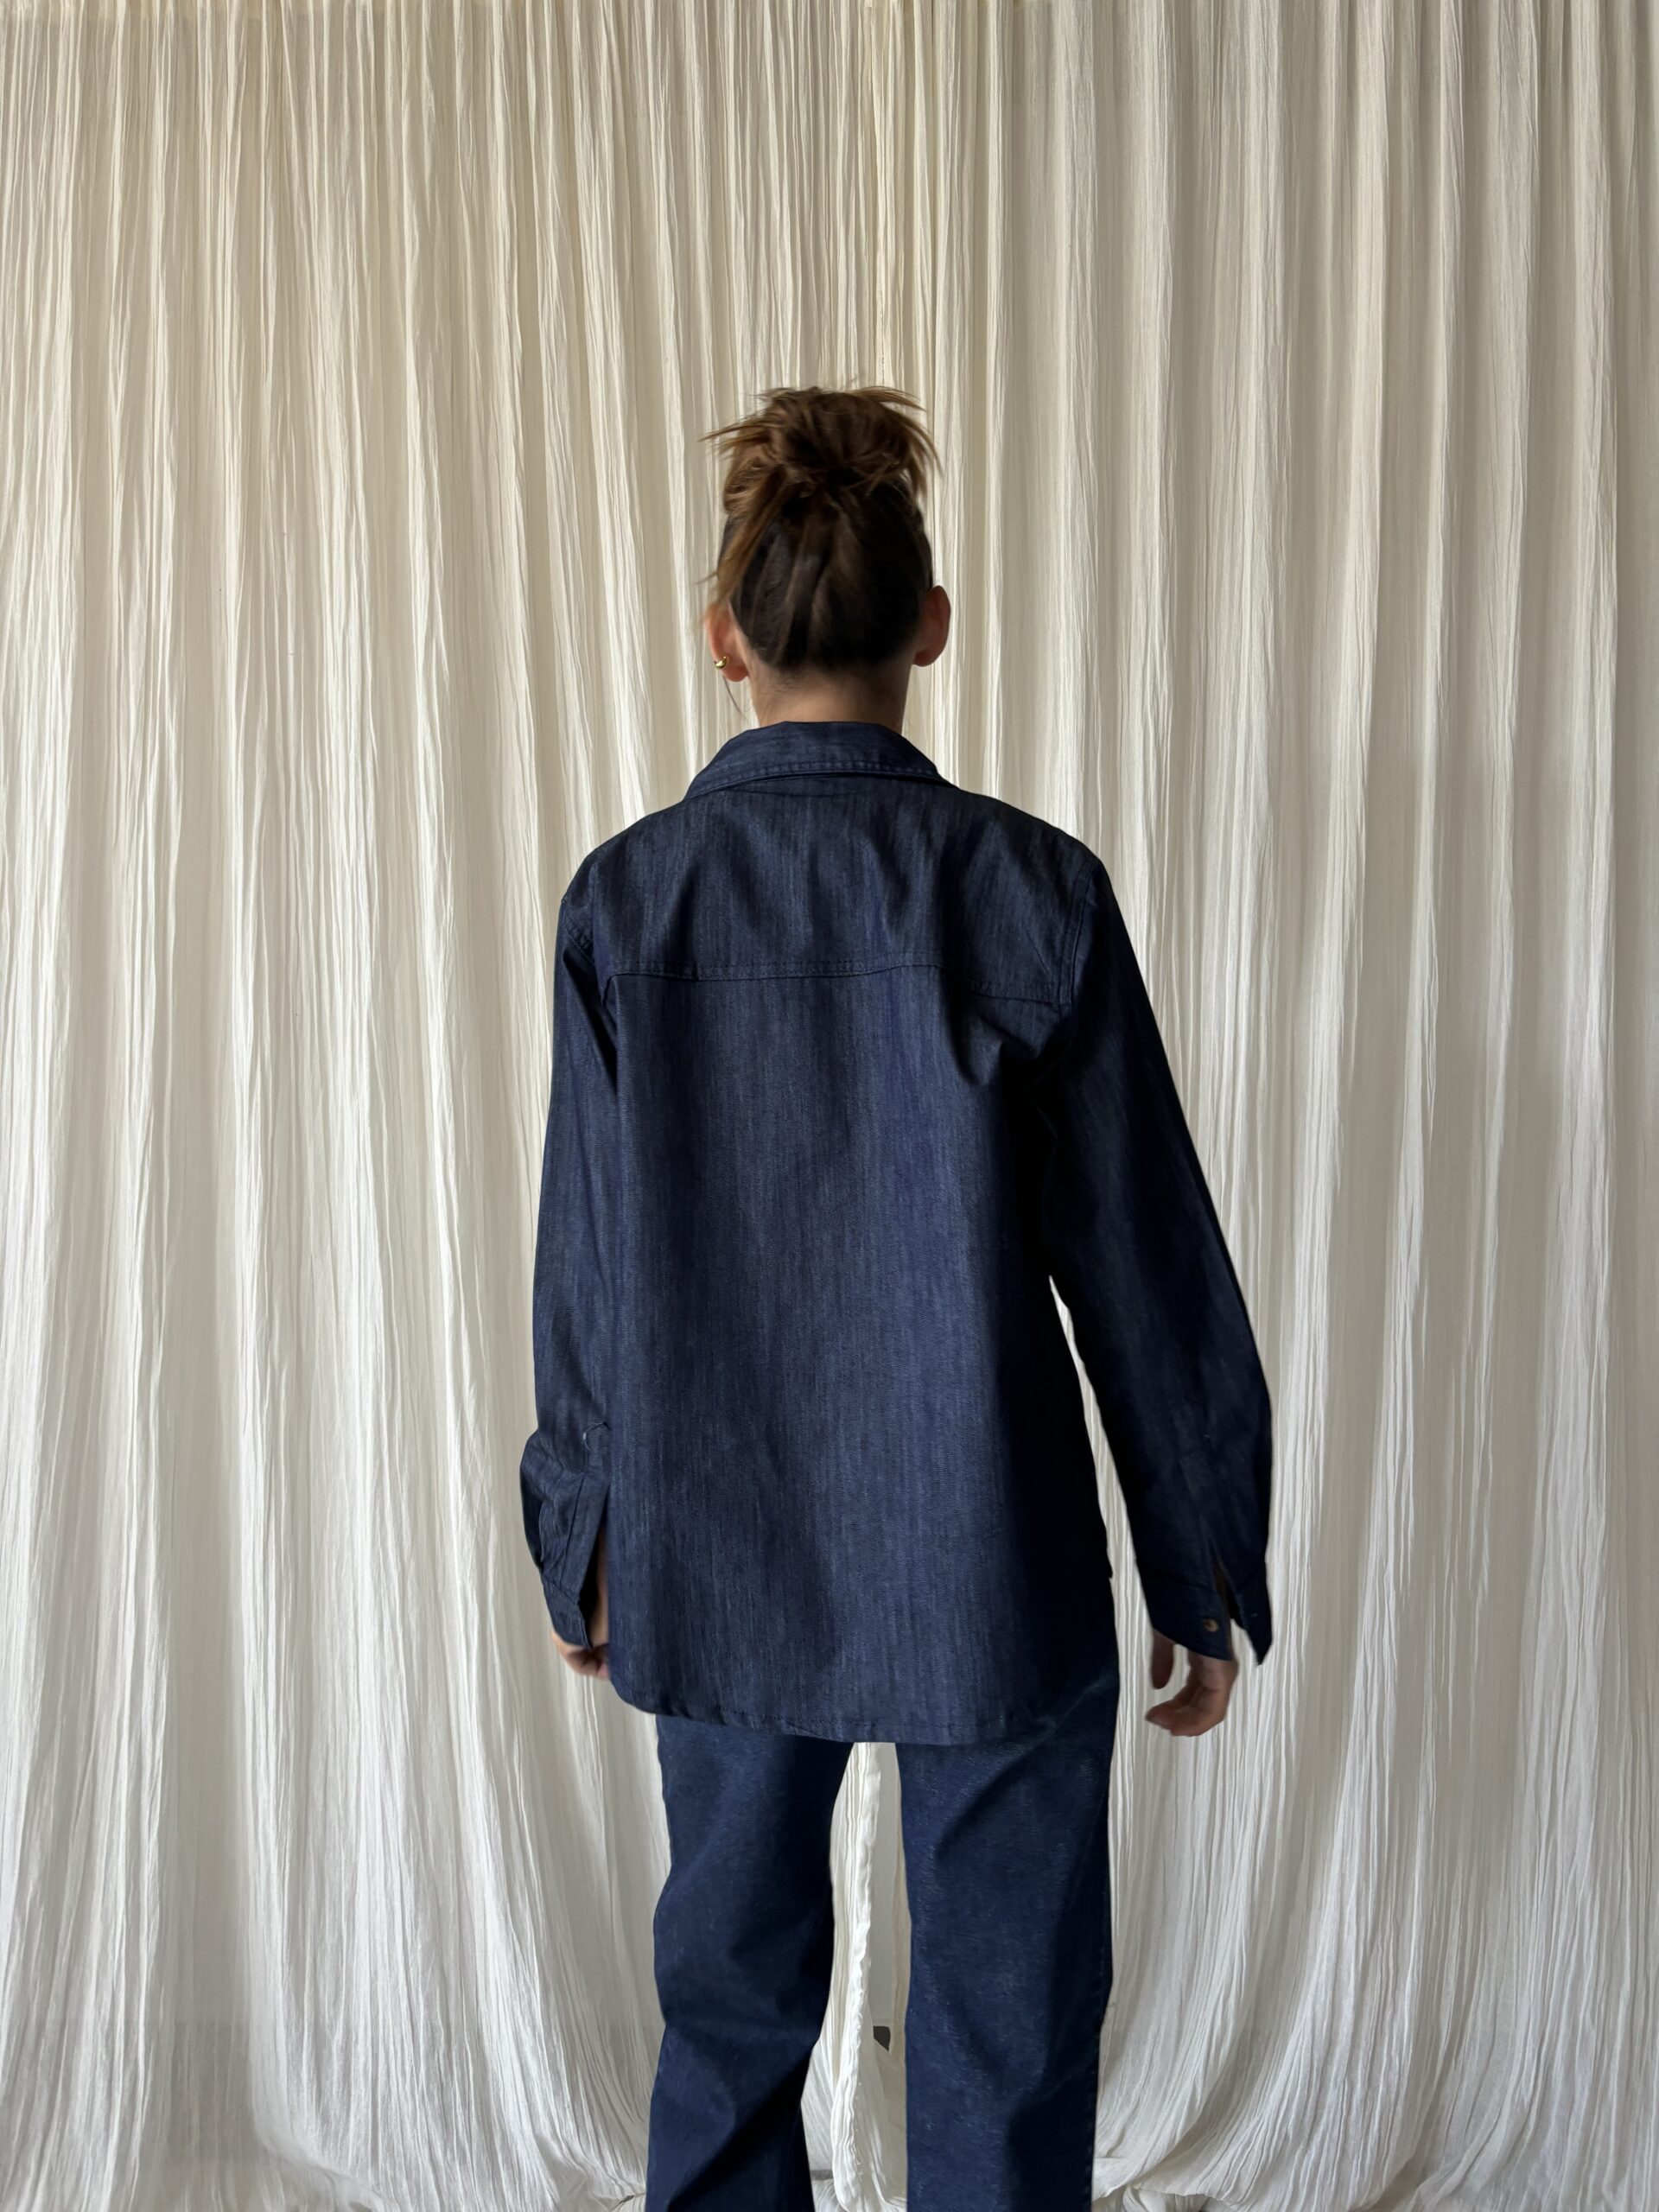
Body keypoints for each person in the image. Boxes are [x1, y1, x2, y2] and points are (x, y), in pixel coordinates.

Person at [518, 382, 1275, 2211]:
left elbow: (588, 1259)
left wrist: (582, 1532)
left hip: (716, 1541)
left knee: (727, 2009)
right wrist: (1198, 1560)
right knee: (1011, 2028)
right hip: (985, 1548)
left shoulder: (629, 905)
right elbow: (1142, 1260)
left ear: (725, 638)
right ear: (930, 626)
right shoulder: (1034, 895)